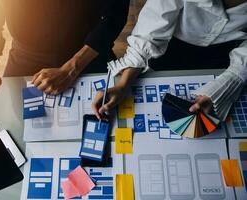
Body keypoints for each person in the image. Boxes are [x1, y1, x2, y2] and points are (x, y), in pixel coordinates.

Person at [0, 0, 129, 117]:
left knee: (103, 123)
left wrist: (72, 68)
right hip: (25, 56)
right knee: (20, 129)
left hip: (88, 52)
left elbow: (115, 14)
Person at [92, 0, 247, 121]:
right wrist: (122, 84)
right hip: (170, 46)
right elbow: (149, 34)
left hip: (224, 56)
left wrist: (220, 90)